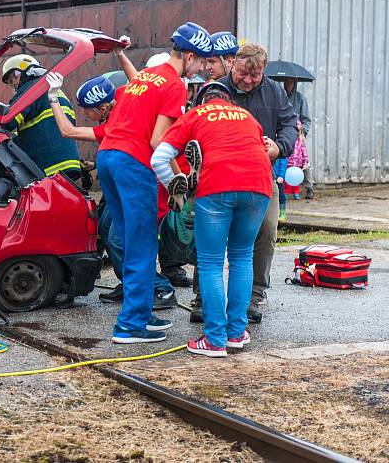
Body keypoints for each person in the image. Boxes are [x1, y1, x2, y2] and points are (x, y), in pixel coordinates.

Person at [97, 21, 211, 344]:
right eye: (201, 61)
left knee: (133, 240)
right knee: (143, 242)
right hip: (133, 164)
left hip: (108, 158)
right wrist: (179, 179)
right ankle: (130, 326)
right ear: (189, 56)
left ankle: (143, 314)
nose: (201, 68)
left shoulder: (149, 75)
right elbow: (159, 141)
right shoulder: (174, 84)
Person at [151, 82, 272, 357]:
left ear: (200, 101)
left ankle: (215, 339)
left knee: (211, 262)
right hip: (259, 185)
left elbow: (159, 157)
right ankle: (237, 333)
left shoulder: (195, 115)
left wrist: (175, 190)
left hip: (217, 185)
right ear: (229, 101)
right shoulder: (247, 117)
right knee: (242, 256)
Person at [48, 73, 177, 310]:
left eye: (88, 110)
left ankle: (160, 289)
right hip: (124, 180)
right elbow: (138, 79)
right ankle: (129, 283)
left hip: (138, 182)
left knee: (121, 239)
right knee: (106, 228)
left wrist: (54, 97)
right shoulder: (121, 97)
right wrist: (119, 53)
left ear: (103, 107)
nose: (86, 115)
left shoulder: (114, 125)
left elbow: (68, 131)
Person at [218, 43, 298, 323]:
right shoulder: (217, 90)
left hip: (261, 175)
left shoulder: (274, 91)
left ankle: (254, 296)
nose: (248, 80)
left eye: (255, 76)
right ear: (232, 65)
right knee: (209, 237)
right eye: (242, 74)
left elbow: (290, 124)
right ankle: (203, 298)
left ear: (263, 71)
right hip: (220, 175)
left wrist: (279, 146)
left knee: (266, 232)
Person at [1, 54, 81, 180]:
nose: (13, 84)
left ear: (25, 72)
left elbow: (8, 121)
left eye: (13, 78)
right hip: (68, 162)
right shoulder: (54, 91)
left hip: (49, 164)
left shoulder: (32, 90)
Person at [280, 78, 314, 199]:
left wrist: (302, 133)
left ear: (295, 84)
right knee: (282, 161)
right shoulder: (280, 97)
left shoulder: (300, 98)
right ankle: (280, 187)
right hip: (283, 133)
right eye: (286, 82)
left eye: (291, 82)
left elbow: (306, 119)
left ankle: (309, 187)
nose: (288, 84)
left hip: (298, 134)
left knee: (304, 160)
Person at [273, 156, 288, 221]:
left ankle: (283, 214)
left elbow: (283, 163)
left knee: (281, 195)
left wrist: (281, 176)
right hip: (268, 177)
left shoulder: (280, 150)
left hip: (277, 178)